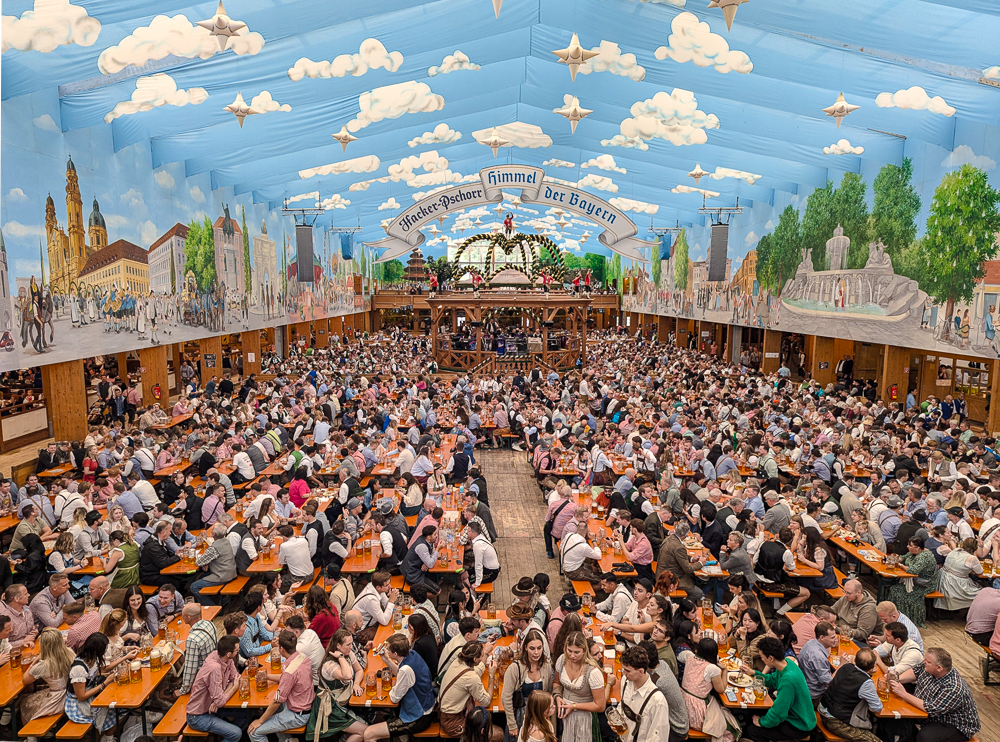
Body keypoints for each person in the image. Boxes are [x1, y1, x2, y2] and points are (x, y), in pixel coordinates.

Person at [888, 648, 981, 742]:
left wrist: (904, 694)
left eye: (927, 661)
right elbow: (916, 671)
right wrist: (896, 679)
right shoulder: (930, 667)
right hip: (928, 713)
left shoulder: (953, 688)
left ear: (939, 668)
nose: (923, 662)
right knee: (896, 718)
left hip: (953, 724)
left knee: (925, 737)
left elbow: (931, 709)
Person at [740, 636, 816, 741]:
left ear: (771, 658)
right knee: (751, 713)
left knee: (753, 731)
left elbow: (779, 712)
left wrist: (762, 722)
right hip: (795, 716)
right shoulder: (788, 665)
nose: (762, 659)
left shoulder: (788, 680)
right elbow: (772, 680)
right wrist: (753, 673)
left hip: (798, 725)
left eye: (762, 657)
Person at [362, 634, 436, 741]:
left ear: (395, 653)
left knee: (369, 734)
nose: (386, 651)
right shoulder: (412, 654)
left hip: (419, 717)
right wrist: (386, 660)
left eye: (388, 650)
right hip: (428, 706)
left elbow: (394, 698)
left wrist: (393, 687)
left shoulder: (406, 670)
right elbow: (401, 672)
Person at [248, 630, 315, 742]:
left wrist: (260, 721)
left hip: (297, 715)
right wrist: (267, 676)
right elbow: (288, 679)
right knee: (273, 706)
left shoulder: (290, 672)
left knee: (253, 732)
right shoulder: (303, 657)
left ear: (281, 649)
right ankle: (287, 740)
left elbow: (277, 701)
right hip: (306, 705)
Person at [305, 628, 367, 742]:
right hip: (330, 708)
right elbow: (347, 675)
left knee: (366, 731)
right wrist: (341, 657)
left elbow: (359, 670)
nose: (351, 647)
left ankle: (345, 738)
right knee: (366, 732)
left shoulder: (348, 653)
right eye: (348, 644)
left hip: (343, 702)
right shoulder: (329, 665)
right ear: (338, 646)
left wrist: (357, 684)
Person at [66, 633, 134, 738]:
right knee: (117, 708)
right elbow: (81, 696)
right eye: (104, 648)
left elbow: (95, 673)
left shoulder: (92, 658)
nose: (106, 650)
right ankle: (106, 737)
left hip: (92, 691)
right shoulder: (78, 668)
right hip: (79, 704)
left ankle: (108, 737)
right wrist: (105, 683)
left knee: (122, 705)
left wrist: (109, 675)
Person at [678, 635, 739, 741]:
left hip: (683, 704)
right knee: (729, 725)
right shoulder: (712, 668)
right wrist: (724, 671)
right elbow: (721, 689)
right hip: (696, 711)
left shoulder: (690, 658)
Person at [818, 647, 883, 742]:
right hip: (836, 721)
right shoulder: (866, 682)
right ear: (873, 667)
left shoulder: (846, 666)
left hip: (823, 710)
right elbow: (877, 708)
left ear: (855, 660)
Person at [185, 635, 243, 742]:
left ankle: (223, 732)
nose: (238, 652)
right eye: (237, 650)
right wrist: (233, 688)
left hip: (212, 708)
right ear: (229, 653)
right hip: (198, 716)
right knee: (236, 733)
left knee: (246, 713)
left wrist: (219, 698)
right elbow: (232, 687)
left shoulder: (225, 658)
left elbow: (236, 678)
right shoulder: (214, 667)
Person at [551, 631, 607, 742]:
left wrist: (574, 706)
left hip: (585, 717)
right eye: (569, 650)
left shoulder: (593, 672)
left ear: (584, 650)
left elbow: (600, 706)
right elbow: (556, 682)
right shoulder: (562, 660)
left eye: (577, 652)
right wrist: (557, 696)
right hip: (563, 715)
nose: (572, 655)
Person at [438, 641, 499, 738]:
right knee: (498, 734)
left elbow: (476, 671)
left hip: (449, 711)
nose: (483, 658)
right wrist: (491, 675)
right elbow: (486, 702)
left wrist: (486, 654)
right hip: (453, 722)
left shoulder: (459, 661)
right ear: (475, 659)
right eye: (482, 656)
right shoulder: (471, 678)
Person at [502, 627, 552, 739]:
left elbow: (548, 692)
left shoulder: (546, 666)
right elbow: (506, 697)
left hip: (540, 716)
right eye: (532, 648)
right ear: (525, 648)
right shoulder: (515, 668)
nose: (536, 652)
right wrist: (512, 724)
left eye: (539, 648)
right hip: (520, 715)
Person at [19, 627, 76, 724]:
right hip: (70, 694)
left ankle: (31, 737)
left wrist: (34, 661)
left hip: (57, 700)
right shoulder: (70, 652)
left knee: (24, 704)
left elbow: (25, 680)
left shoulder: (44, 665)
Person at [620, 645, 671, 742]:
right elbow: (622, 706)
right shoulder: (625, 681)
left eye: (627, 670)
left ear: (640, 671)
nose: (623, 673)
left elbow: (659, 738)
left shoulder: (657, 701)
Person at [886, 537, 938, 627]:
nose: (907, 547)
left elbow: (912, 570)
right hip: (912, 581)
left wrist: (900, 565)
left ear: (917, 548)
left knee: (897, 591)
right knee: (893, 588)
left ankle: (907, 620)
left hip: (923, 584)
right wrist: (893, 559)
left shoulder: (925, 556)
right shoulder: (913, 553)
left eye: (910, 545)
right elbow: (903, 557)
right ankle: (893, 617)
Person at [934, 537, 983, 611]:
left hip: (942, 579)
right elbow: (979, 572)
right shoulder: (972, 558)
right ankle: (971, 613)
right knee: (981, 593)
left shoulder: (956, 550)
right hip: (956, 584)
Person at [797, 621, 837, 704]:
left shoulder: (810, 643)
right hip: (814, 697)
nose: (835, 640)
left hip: (804, 686)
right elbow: (829, 683)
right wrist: (841, 665)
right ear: (822, 637)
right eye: (832, 638)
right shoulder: (818, 656)